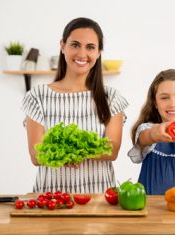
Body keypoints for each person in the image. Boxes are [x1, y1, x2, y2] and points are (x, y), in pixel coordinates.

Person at [22, 17, 128, 193]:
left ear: (99, 52)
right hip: (51, 197)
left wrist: (72, 151)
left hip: (99, 198)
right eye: (75, 45)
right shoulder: (37, 96)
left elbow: (112, 150)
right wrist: (81, 151)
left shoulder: (112, 98)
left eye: (90, 47)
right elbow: (36, 155)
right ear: (63, 45)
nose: (82, 54)